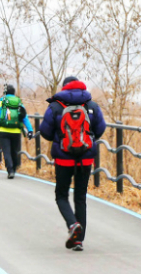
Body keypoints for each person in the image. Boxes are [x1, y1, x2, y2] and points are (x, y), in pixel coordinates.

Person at [40, 76, 106, 252]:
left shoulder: (55, 106)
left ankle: (72, 224)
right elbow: (100, 129)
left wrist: (60, 138)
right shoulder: (91, 105)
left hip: (63, 158)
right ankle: (79, 240)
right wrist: (87, 141)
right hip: (86, 158)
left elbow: (45, 132)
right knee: (80, 197)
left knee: (61, 195)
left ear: (64, 88)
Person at [0, 85, 34, 179]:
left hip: (3, 131)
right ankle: (14, 167)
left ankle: (10, 170)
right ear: (14, 92)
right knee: (14, 151)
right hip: (16, 131)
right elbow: (24, 116)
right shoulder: (18, 102)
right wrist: (30, 130)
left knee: (6, 151)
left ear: (5, 93)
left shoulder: (1, 102)